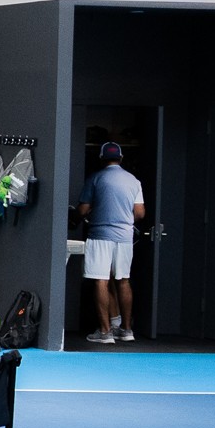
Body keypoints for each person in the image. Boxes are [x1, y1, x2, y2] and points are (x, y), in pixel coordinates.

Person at [77, 140, 147, 345]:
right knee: (123, 280)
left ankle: (105, 332)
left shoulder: (96, 178)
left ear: (101, 158)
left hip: (100, 234)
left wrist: (87, 214)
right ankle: (126, 329)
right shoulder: (133, 180)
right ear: (121, 158)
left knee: (101, 279)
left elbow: (82, 210)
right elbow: (140, 213)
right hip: (125, 237)